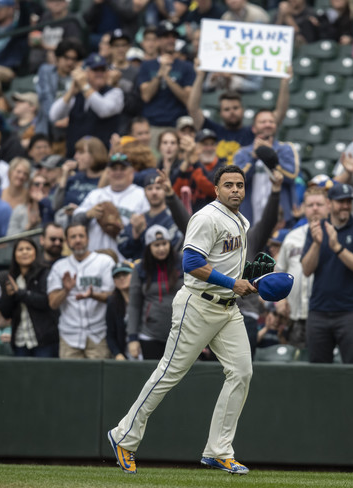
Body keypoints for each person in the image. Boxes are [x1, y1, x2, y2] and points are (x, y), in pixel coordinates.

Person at [108, 165, 258, 475]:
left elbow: (227, 264)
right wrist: (233, 284)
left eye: (240, 185)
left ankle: (219, 450)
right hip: (198, 305)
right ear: (215, 190)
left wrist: (251, 278)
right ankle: (124, 436)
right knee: (169, 373)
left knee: (242, 372)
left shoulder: (241, 219)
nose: (235, 190)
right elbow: (190, 263)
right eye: (228, 185)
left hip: (228, 309)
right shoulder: (206, 217)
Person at [301, 184, 353, 364]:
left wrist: (337, 247)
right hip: (319, 311)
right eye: (340, 202)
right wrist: (317, 244)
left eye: (348, 201)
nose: (345, 206)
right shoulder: (316, 228)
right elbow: (306, 269)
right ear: (329, 203)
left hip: (351, 313)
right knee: (319, 374)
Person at [187, 71, 290, 166]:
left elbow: (279, 114)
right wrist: (200, 76)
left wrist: (285, 82)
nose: (232, 112)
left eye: (235, 108)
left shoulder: (253, 132)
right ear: (220, 113)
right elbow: (193, 109)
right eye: (227, 109)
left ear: (243, 110)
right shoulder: (212, 131)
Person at [47, 223, 115, 359]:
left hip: (98, 334)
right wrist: (66, 290)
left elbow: (112, 297)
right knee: (70, 380)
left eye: (81, 236)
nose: (77, 240)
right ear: (67, 242)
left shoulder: (104, 262)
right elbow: (53, 303)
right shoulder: (59, 267)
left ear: (88, 239)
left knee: (99, 379)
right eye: (73, 237)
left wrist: (93, 295)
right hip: (69, 336)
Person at [275, 187, 329, 348]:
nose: (315, 208)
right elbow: (279, 272)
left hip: (327, 317)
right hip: (296, 317)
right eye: (310, 205)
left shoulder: (336, 236)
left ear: (328, 206)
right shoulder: (293, 237)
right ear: (304, 208)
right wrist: (281, 299)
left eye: (319, 204)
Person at [73, 153, 149, 260]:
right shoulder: (96, 195)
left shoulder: (141, 195)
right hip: (95, 260)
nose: (118, 172)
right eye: (114, 169)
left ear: (131, 172)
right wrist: (87, 214)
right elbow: (75, 221)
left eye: (122, 168)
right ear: (108, 173)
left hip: (126, 261)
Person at [49, 53, 124, 158]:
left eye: (102, 70)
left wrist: (84, 85)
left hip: (102, 159)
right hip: (75, 158)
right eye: (95, 70)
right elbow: (54, 116)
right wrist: (71, 92)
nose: (99, 74)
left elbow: (104, 110)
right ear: (87, 73)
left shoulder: (115, 92)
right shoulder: (76, 95)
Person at [126, 225, 183, 360]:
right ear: (148, 247)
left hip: (182, 335)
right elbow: (134, 305)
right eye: (156, 245)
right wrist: (132, 337)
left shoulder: (182, 263)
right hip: (150, 335)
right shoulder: (140, 268)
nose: (161, 248)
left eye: (164, 243)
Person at [233, 110, 300, 224]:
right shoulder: (242, 153)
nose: (267, 124)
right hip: (250, 219)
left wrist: (269, 154)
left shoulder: (286, 148)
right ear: (254, 128)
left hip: (281, 221)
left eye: (271, 121)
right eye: (263, 122)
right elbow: (237, 181)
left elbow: (291, 176)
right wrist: (254, 157)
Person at [135, 21, 195, 144]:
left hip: (178, 126)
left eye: (173, 36)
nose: (170, 40)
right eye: (165, 36)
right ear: (157, 41)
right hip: (152, 126)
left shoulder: (186, 67)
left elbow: (188, 99)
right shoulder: (147, 65)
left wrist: (167, 78)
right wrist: (159, 75)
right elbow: (146, 96)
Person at [0, 238, 59, 357]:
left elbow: (45, 302)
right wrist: (9, 296)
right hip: (20, 340)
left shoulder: (45, 273)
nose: (24, 252)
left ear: (35, 253)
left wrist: (19, 292)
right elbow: (6, 313)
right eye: (20, 249)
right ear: (14, 255)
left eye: (28, 249)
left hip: (44, 340)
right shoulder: (11, 278)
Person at [118, 170, 183, 260]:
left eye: (158, 188)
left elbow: (175, 247)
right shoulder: (139, 219)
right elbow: (123, 249)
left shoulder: (173, 217)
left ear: (164, 190)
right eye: (150, 188)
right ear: (144, 192)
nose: (154, 192)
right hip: (142, 271)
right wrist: (135, 235)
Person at [35, 38, 85, 138]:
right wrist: (55, 118)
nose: (70, 63)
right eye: (66, 58)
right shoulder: (46, 71)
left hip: (71, 128)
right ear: (58, 57)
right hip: (47, 129)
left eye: (74, 59)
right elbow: (45, 98)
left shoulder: (80, 76)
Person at [106, 261, 133, 360]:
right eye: (117, 276)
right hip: (125, 355)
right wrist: (117, 354)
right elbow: (110, 334)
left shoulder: (144, 297)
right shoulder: (112, 302)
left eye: (125, 274)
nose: (121, 278)